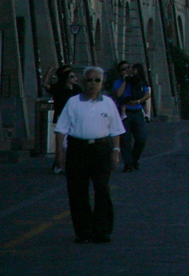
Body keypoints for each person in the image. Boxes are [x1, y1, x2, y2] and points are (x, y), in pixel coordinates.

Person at [53, 65, 125, 244]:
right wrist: (59, 154)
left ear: (102, 83)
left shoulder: (108, 103)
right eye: (89, 80)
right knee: (78, 191)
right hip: (77, 149)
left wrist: (116, 151)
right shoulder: (73, 102)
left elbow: (115, 130)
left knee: (102, 189)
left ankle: (102, 230)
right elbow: (61, 130)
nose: (93, 84)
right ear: (83, 82)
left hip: (100, 149)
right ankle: (83, 232)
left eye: (97, 80)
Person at [111, 64, 151, 170]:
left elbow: (146, 94)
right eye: (124, 69)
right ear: (120, 72)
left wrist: (138, 101)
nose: (127, 70)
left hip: (137, 111)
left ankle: (134, 159)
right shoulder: (119, 82)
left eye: (128, 67)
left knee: (141, 138)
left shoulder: (137, 80)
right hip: (124, 112)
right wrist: (125, 80)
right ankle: (128, 164)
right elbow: (118, 94)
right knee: (125, 139)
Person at [47, 65, 80, 173]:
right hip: (61, 117)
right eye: (71, 76)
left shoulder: (77, 89)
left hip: (74, 118)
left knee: (72, 142)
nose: (74, 78)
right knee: (62, 143)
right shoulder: (59, 88)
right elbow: (45, 85)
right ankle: (59, 164)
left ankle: (66, 164)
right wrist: (49, 71)